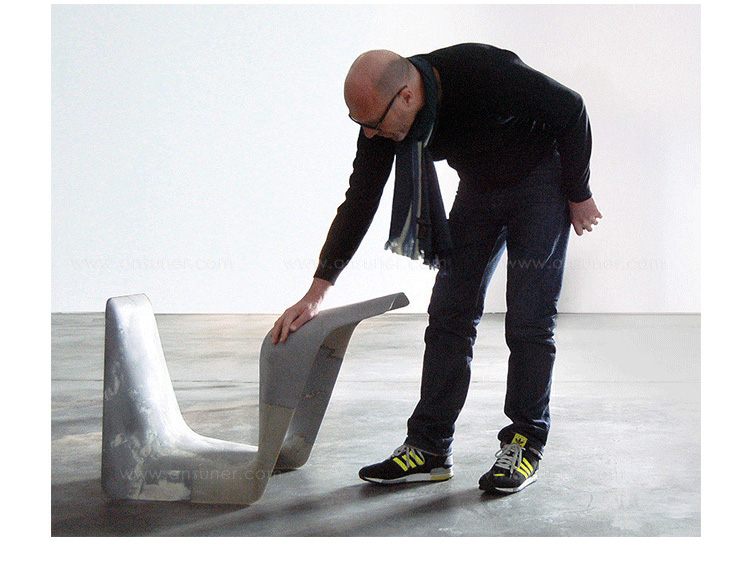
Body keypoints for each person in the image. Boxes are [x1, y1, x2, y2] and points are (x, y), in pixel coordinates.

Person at [270, 43, 602, 494]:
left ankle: (524, 442)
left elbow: (571, 107)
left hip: (540, 182)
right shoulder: (381, 118)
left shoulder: (483, 70)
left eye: (373, 124)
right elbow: (360, 198)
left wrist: (578, 192)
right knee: (448, 315)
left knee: (529, 319)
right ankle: (429, 448)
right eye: (358, 124)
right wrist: (318, 290)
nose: (368, 134)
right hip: (479, 189)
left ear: (407, 96)